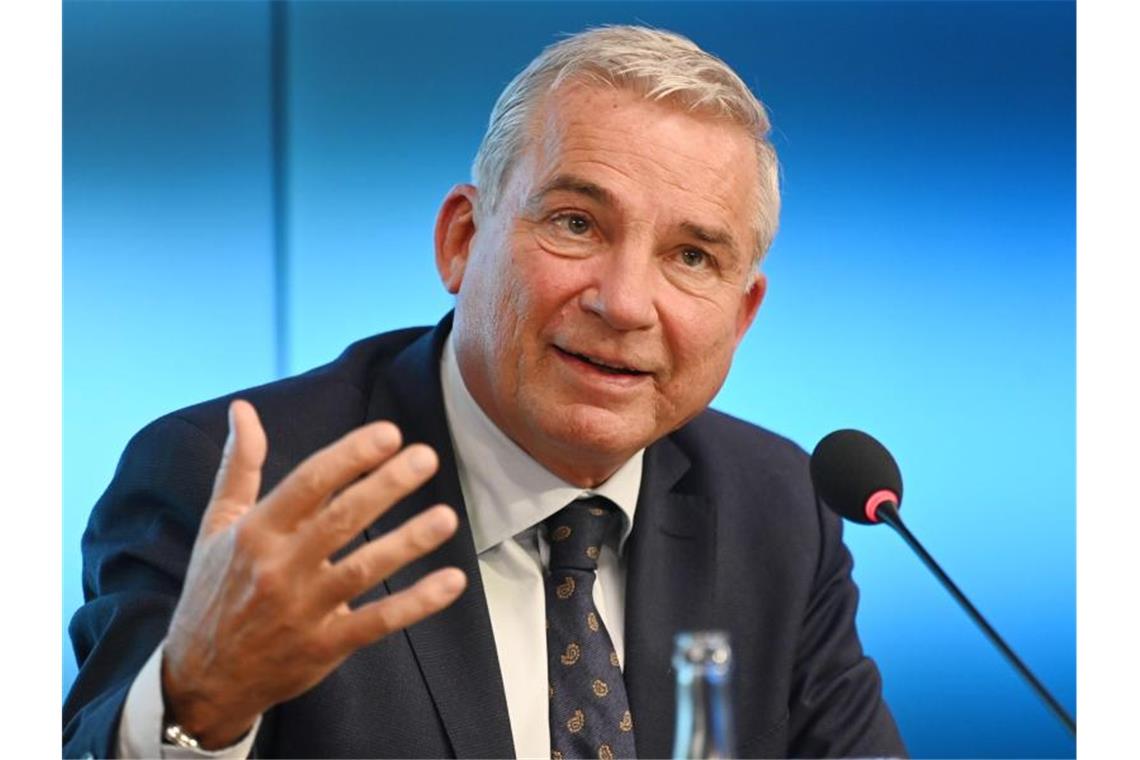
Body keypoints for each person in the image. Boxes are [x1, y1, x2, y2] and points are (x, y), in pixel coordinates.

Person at [64, 25, 905, 759]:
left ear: (743, 313)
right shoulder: (234, 483)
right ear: (463, 240)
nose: (624, 302)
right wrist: (199, 702)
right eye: (577, 223)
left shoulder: (778, 507)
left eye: (692, 258)